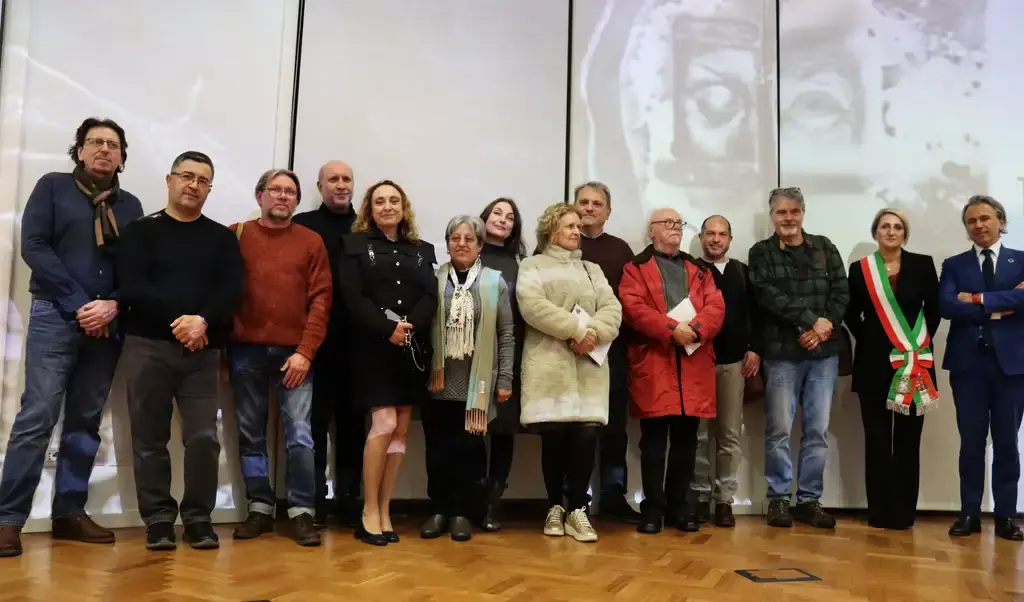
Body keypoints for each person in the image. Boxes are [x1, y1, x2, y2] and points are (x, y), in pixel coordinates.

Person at [0, 118, 143, 558]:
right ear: (79, 150)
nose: (104, 149)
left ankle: (69, 513)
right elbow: (35, 246)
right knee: (37, 415)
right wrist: (81, 303)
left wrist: (113, 304)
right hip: (56, 314)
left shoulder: (131, 206)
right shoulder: (53, 187)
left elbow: (137, 267)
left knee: (85, 420)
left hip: (108, 323)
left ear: (122, 156)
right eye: (95, 142)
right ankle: (8, 520)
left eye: (113, 144)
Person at [117, 151, 243, 550]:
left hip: (202, 353)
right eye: (187, 176)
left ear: (209, 189)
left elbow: (230, 290)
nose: (193, 185)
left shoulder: (222, 238)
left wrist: (202, 321)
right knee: (149, 438)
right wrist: (183, 322)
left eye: (202, 180)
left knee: (204, 437)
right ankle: (157, 519)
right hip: (147, 346)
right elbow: (132, 286)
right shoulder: (140, 231)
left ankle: (198, 518)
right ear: (169, 181)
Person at [228, 169, 332, 547]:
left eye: (290, 191)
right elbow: (221, 292)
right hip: (246, 352)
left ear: (297, 200)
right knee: (251, 435)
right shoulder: (236, 235)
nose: (283, 196)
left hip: (295, 357)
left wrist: (305, 352)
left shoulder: (311, 241)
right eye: (275, 190)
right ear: (260, 196)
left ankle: (302, 512)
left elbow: (321, 300)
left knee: (301, 437)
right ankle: (259, 508)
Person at [336, 180, 437, 546]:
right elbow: (353, 296)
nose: (388, 206)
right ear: (370, 208)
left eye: (394, 200)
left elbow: (430, 295)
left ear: (403, 207)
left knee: (400, 431)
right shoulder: (353, 245)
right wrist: (387, 328)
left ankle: (384, 508)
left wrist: (409, 327)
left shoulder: (422, 250)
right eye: (380, 201)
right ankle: (368, 511)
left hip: (410, 348)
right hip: (372, 347)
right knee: (385, 422)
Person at [517, 203, 622, 543]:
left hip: (590, 368)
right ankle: (554, 506)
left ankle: (578, 509)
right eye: (569, 226)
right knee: (556, 438)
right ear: (551, 231)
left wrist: (593, 334)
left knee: (586, 437)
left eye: (578, 226)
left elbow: (613, 309)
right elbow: (533, 306)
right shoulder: (532, 265)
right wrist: (577, 331)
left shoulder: (592, 269)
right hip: (550, 367)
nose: (577, 231)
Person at [748, 187, 849, 529]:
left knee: (817, 431)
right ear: (772, 216)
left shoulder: (825, 247)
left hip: (824, 354)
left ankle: (808, 500)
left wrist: (823, 328)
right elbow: (768, 296)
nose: (788, 218)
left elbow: (841, 292)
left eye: (794, 211)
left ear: (803, 213)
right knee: (778, 430)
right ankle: (778, 498)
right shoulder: (760, 252)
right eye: (781, 212)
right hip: (781, 355)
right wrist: (810, 321)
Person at [619, 208, 724, 534]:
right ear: (651, 231)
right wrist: (670, 329)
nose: (675, 228)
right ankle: (653, 509)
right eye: (668, 223)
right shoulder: (634, 268)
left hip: (693, 364)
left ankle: (680, 507)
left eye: (679, 223)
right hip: (655, 363)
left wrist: (694, 330)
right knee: (653, 444)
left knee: (686, 443)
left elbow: (716, 307)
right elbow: (633, 308)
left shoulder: (700, 269)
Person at [421, 215, 514, 542]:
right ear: (447, 244)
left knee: (469, 452)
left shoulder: (494, 282)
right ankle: (439, 509)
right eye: (455, 238)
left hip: (477, 385)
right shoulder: (433, 279)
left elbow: (506, 333)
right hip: (437, 382)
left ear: (480, 246)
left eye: (469, 239)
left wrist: (505, 378)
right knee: (437, 450)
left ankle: (462, 512)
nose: (461, 244)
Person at [845, 208, 939, 531]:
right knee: (877, 440)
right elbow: (850, 314)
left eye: (897, 227)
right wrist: (874, 339)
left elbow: (935, 311)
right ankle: (879, 512)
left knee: (909, 441)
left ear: (904, 233)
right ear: (876, 232)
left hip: (915, 364)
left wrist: (915, 345)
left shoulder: (922, 265)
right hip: (873, 366)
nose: (891, 231)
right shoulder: (860, 269)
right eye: (884, 226)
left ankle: (903, 514)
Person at [939, 195, 1024, 541]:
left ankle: (1006, 515)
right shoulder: (954, 264)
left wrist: (976, 299)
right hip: (968, 365)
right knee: (971, 442)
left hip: (1011, 367)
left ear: (1001, 222)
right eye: (972, 221)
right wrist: (1003, 305)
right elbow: (947, 306)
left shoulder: (1021, 260)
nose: (979, 225)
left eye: (985, 218)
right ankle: (969, 513)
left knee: (1007, 444)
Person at [292, 160, 363, 528]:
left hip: (358, 345)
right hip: (314, 344)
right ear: (320, 186)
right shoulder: (303, 225)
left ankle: (350, 501)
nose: (340, 185)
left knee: (353, 429)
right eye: (333, 179)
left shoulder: (366, 228)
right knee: (313, 426)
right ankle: (315, 501)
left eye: (346, 179)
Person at [573, 182, 640, 523]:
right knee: (577, 428)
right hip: (570, 349)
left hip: (612, 351)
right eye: (583, 202)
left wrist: (601, 332)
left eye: (596, 203)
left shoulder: (621, 250)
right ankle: (575, 498)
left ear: (608, 212)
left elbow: (630, 300)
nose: (589, 208)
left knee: (614, 428)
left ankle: (614, 495)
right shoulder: (560, 244)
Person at [691, 215, 760, 527]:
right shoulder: (689, 269)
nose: (715, 239)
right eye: (710, 233)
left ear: (730, 239)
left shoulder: (742, 272)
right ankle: (699, 496)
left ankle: (724, 500)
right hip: (697, 364)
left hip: (734, 363)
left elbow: (755, 314)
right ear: (701, 238)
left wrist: (755, 348)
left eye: (722, 234)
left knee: (730, 434)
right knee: (699, 435)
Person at [475, 197, 527, 531]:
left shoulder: (522, 265)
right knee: (473, 428)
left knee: (503, 431)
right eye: (497, 213)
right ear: (484, 218)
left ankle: (493, 504)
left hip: (510, 357)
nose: (503, 220)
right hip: (472, 358)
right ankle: (472, 499)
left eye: (510, 217)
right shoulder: (470, 256)